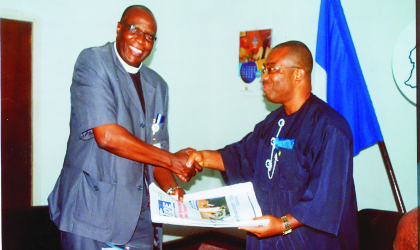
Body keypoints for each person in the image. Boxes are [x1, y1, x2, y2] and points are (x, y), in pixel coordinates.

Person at [48, 5, 200, 250]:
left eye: (149, 36)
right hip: (92, 213)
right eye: (134, 30)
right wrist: (172, 161)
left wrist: (173, 189)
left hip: (140, 217)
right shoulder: (94, 62)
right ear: (119, 29)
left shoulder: (158, 86)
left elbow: (156, 152)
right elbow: (107, 136)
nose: (141, 40)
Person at [187, 41, 360, 249]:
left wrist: (281, 224)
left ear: (298, 74)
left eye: (271, 69)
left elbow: (325, 200)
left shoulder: (330, 127)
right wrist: (201, 157)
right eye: (264, 69)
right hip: (268, 241)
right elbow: (240, 157)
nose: (264, 77)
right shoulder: (272, 123)